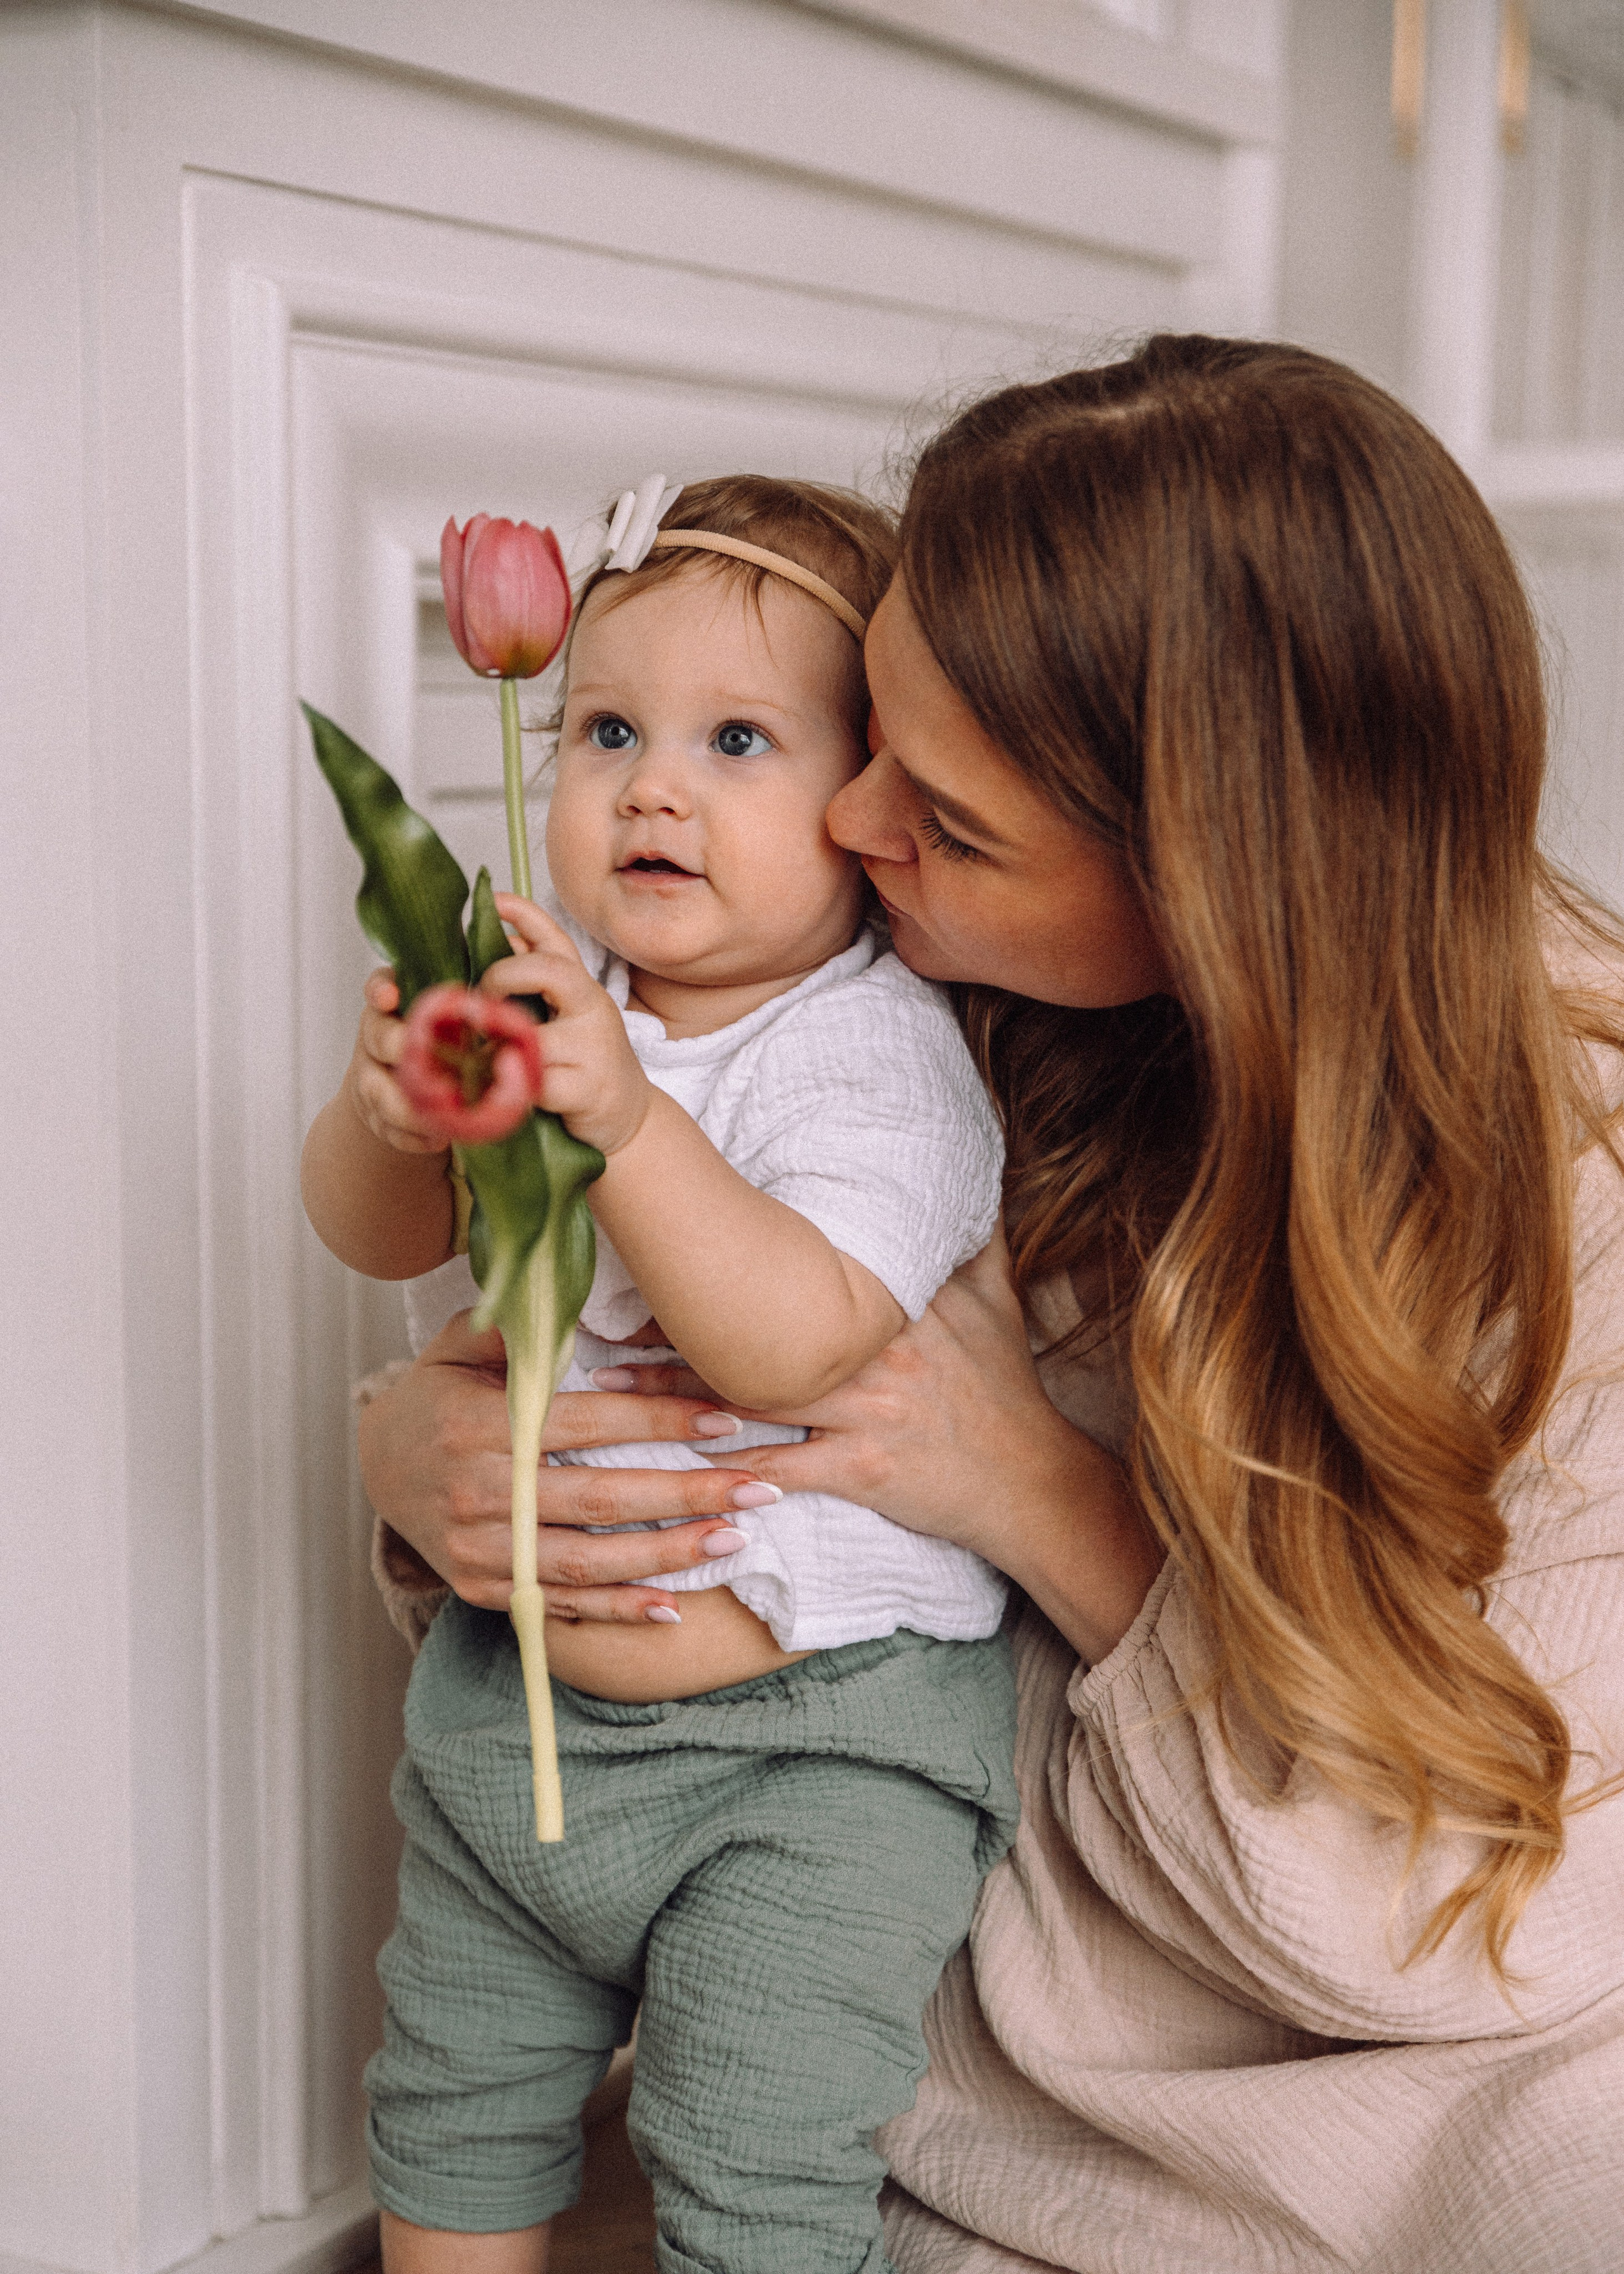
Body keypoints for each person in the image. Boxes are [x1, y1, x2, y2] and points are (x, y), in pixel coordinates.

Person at [358, 336, 1624, 2273]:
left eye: (946, 820)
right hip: (964, 1942)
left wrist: (1042, 1496)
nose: (853, 828)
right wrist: (421, 1440)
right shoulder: (928, 993)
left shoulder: (1576, 1198)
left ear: (1210, 877)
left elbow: (1476, 1926)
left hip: (1403, 2012)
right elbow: (672, 1353)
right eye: (867, 736)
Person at [303, 475, 1023, 2274]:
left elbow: (792, 1332)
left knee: (751, 2146)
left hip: (812, 1753)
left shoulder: (873, 1053)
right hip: (512, 1719)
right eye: (606, 727)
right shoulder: (563, 993)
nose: (654, 786)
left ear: (872, 807)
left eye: (739, 740)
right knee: (451, 2104)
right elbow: (384, 1240)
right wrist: (391, 1115)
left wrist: (617, 1108)